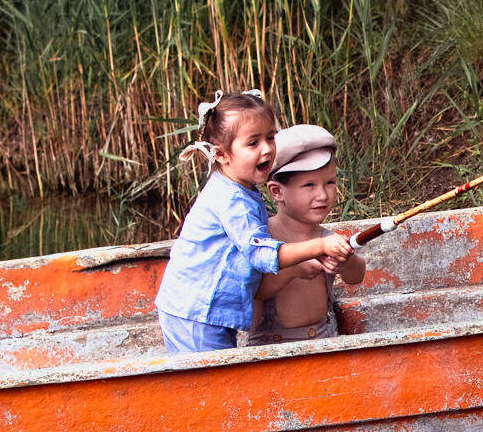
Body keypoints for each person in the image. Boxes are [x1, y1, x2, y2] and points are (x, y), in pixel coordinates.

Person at [153, 92, 354, 354]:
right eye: (253, 143)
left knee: (219, 382)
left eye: (270, 137)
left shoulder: (241, 190)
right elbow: (261, 253)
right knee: (210, 386)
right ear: (222, 154)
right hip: (196, 310)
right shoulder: (231, 200)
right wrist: (320, 245)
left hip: (207, 308)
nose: (268, 148)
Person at [245, 123, 367, 345]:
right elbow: (254, 291)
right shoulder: (263, 238)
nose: (322, 195)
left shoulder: (326, 238)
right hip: (268, 348)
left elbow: (356, 276)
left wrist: (346, 262)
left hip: (322, 341)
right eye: (309, 185)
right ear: (277, 191)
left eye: (329, 182)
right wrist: (292, 271)